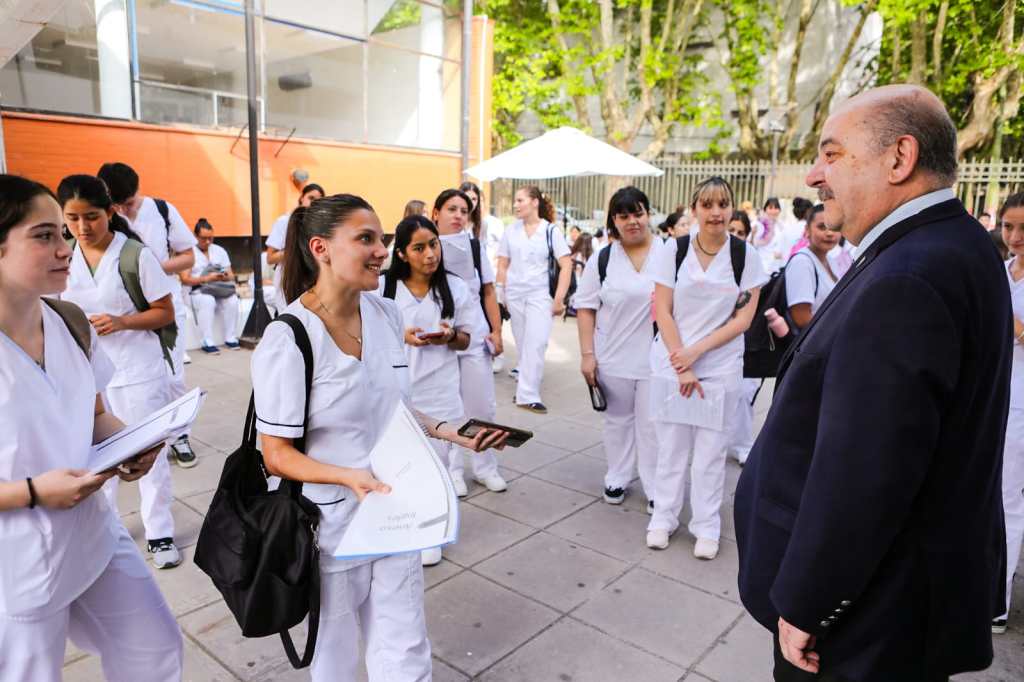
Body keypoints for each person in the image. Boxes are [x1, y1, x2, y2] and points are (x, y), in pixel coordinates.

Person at [735, 85, 1011, 681]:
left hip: (863, 624)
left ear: (899, 158)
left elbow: (865, 469)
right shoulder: (950, 245)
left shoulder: (911, 273)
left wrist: (808, 602)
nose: (814, 175)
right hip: (903, 604)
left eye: (832, 154)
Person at [251, 193, 506, 681]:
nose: (381, 250)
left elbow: (396, 408)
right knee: (337, 660)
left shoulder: (387, 315)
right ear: (321, 248)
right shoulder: (290, 338)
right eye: (365, 239)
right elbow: (276, 454)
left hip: (393, 513)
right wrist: (349, 477)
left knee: (406, 650)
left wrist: (453, 432)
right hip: (328, 529)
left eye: (381, 239)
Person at [0, 174, 182, 682]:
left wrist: (130, 444)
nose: (65, 247)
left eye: (63, 232)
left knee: (154, 649)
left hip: (93, 536)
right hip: (16, 562)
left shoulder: (67, 321)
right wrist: (34, 492)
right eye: (45, 236)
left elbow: (96, 414)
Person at [58, 174, 186, 568]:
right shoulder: (61, 256)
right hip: (87, 375)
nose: (83, 227)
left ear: (110, 212)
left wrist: (122, 321)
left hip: (138, 369)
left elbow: (165, 312)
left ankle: (160, 532)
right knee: (97, 457)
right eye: (73, 218)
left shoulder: (134, 255)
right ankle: (108, 529)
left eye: (92, 217)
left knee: (147, 454)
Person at [645, 176, 768, 558]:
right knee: (671, 449)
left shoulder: (746, 256)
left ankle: (706, 526)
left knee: (712, 453)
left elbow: (742, 320)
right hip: (671, 362)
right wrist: (681, 363)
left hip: (719, 367)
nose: (716, 213)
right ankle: (663, 518)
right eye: (707, 205)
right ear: (694, 208)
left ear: (732, 209)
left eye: (723, 205)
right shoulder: (673, 250)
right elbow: (662, 309)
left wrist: (695, 353)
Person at [378, 215, 474, 566]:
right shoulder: (382, 288)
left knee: (439, 460)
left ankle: (432, 530)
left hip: (441, 386)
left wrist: (449, 336)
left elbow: (466, 339)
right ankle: (405, 523)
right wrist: (399, 335)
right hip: (397, 386)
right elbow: (365, 335)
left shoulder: (455, 287)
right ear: (401, 254)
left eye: (433, 244)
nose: (430, 254)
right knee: (403, 459)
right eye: (419, 248)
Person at [96, 162, 198, 468]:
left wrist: (149, 267)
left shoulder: (163, 210)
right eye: (116, 205)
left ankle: (179, 435)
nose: (123, 210)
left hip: (164, 304)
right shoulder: (102, 218)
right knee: (125, 382)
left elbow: (188, 256)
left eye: (128, 204)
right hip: (122, 311)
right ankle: (133, 440)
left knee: (173, 376)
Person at [574, 187, 663, 510]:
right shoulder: (604, 257)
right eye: (624, 216)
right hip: (613, 357)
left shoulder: (669, 253)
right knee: (617, 421)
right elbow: (585, 307)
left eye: (638, 213)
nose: (632, 221)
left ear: (648, 214)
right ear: (614, 221)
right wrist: (587, 355)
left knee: (653, 425)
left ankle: (656, 487)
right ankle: (617, 476)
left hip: (657, 359)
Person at [431, 189, 508, 493]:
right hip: (440, 343)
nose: (459, 216)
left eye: (464, 211)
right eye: (452, 209)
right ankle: (451, 470)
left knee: (482, 407)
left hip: (474, 338)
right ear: (436, 212)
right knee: (445, 408)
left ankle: (485, 466)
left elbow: (488, 291)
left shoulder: (474, 247)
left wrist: (497, 330)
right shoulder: (427, 247)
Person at [496, 186, 572, 414]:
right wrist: (501, 292)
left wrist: (559, 299)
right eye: (515, 201)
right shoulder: (511, 231)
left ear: (534, 202)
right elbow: (502, 263)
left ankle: (527, 394)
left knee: (536, 343)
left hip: (540, 295)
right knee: (523, 343)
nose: (516, 205)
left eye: (520, 200)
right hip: (514, 295)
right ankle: (525, 384)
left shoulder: (550, 231)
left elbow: (566, 265)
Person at [996, 191, 1024, 635]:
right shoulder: (998, 272)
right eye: (1008, 227)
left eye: (1023, 230)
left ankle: (995, 599)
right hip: (991, 394)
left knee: (1008, 500)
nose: (1015, 238)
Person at [180, 218, 239, 353]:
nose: (207, 242)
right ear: (195, 236)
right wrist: (207, 278)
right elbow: (184, 279)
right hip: (195, 292)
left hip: (218, 289)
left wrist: (222, 276)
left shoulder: (219, 250)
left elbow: (231, 275)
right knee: (208, 301)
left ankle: (230, 337)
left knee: (232, 300)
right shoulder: (189, 252)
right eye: (203, 238)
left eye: (210, 238)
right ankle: (207, 340)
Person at [266, 183, 326, 312]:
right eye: (311, 198)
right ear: (301, 198)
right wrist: (296, 249)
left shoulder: (320, 223)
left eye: (319, 200)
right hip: (290, 274)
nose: (314, 203)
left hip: (313, 275)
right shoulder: (284, 221)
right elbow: (270, 258)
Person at [785, 203, 841, 330]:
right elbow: (802, 318)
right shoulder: (802, 262)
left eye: (834, 227)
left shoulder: (831, 260)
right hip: (813, 344)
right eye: (822, 227)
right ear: (807, 230)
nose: (829, 233)